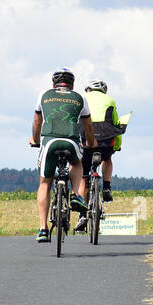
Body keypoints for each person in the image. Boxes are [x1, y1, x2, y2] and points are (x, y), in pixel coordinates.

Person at [29, 68, 96, 242]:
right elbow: (88, 126)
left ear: (53, 83)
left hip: (49, 142)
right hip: (71, 141)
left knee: (44, 184)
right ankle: (75, 195)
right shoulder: (80, 98)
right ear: (72, 84)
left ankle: (43, 229)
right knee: (77, 163)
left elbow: (37, 121)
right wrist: (90, 143)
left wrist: (35, 140)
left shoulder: (44, 95)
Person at [81, 80, 128, 202]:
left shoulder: (82, 98)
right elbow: (116, 126)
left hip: (86, 139)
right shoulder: (110, 100)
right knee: (107, 159)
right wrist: (116, 147)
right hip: (105, 140)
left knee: (84, 177)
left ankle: (82, 212)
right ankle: (106, 187)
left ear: (88, 90)